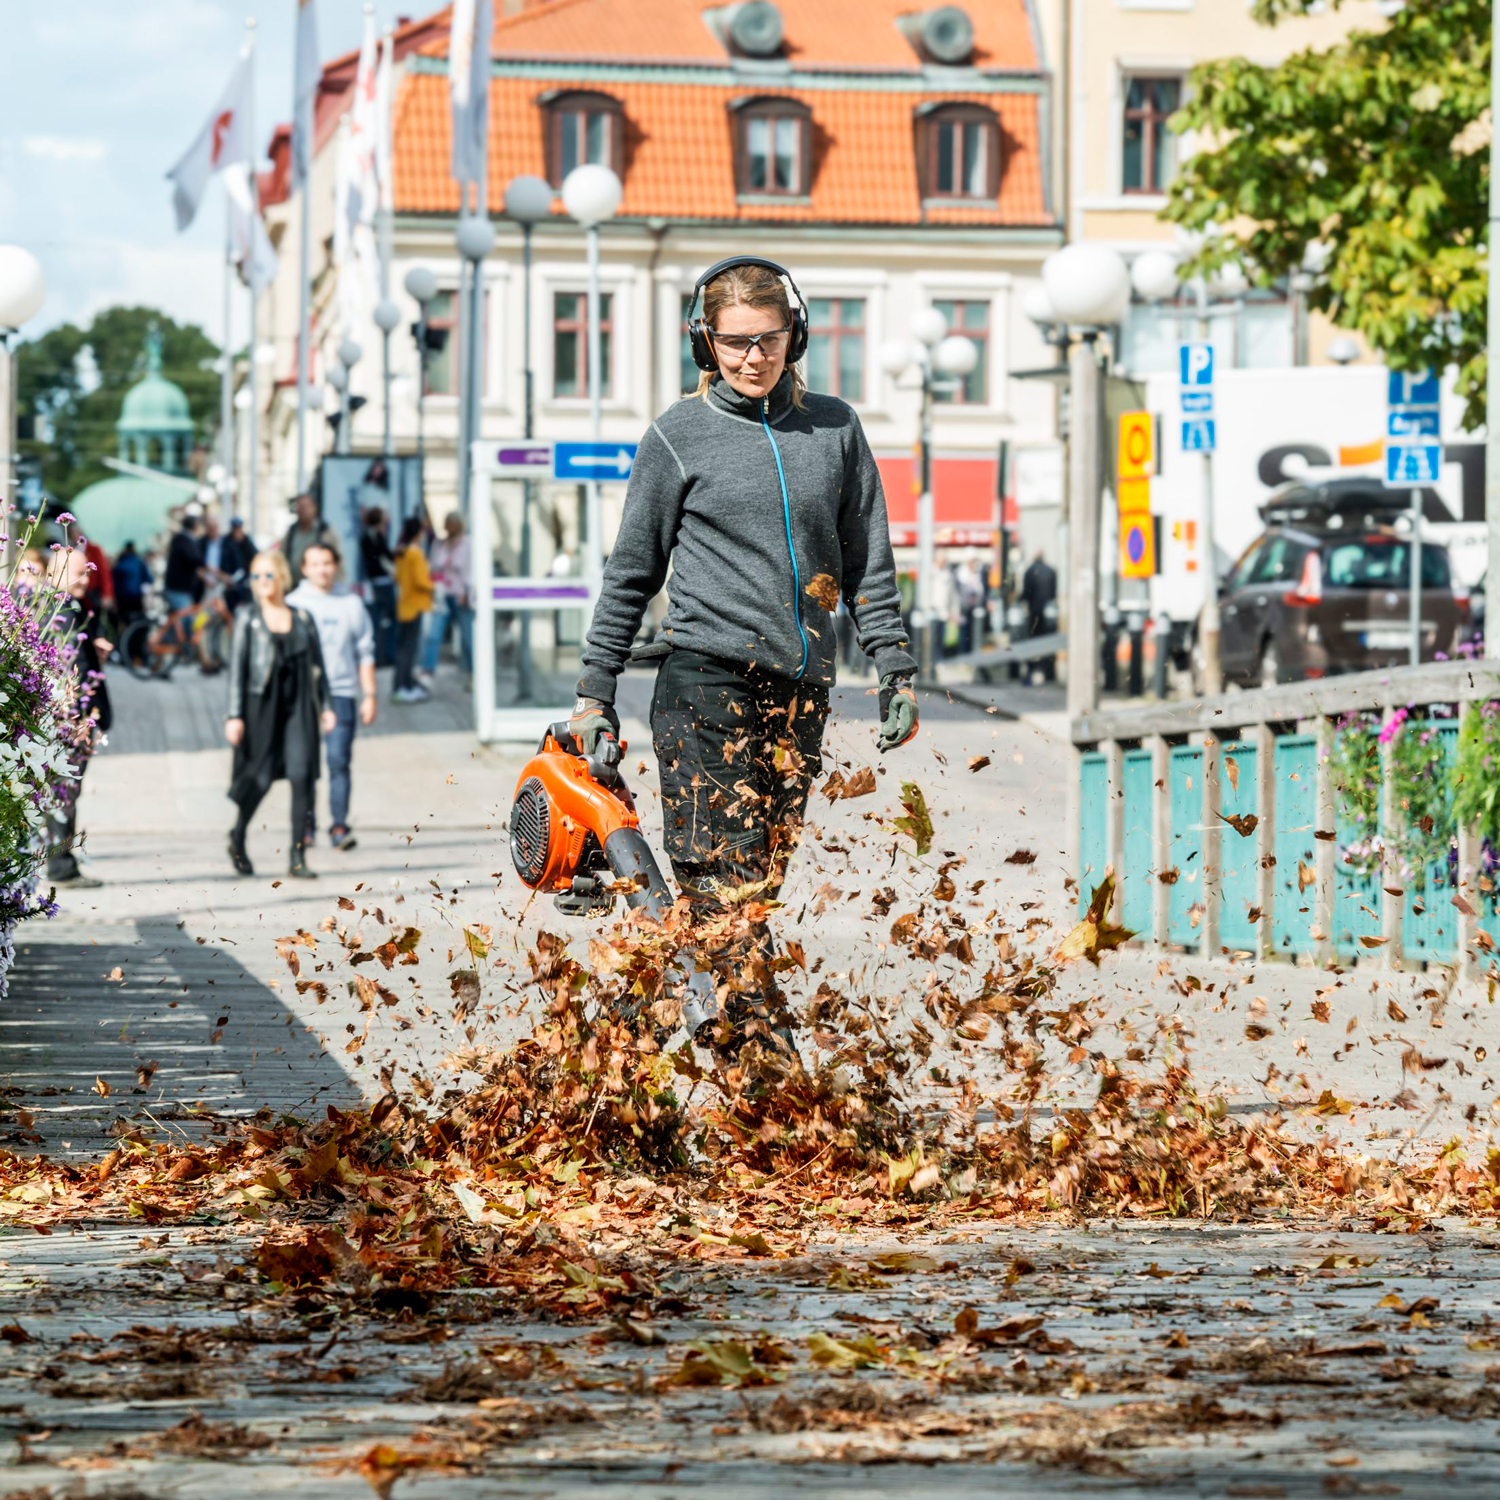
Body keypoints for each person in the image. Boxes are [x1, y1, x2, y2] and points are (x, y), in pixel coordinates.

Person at [571, 256, 918, 1057]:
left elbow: (869, 557)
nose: (752, 357)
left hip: (800, 691)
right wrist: (597, 693)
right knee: (725, 885)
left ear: (794, 336)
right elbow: (631, 574)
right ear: (706, 343)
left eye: (768, 339)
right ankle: (764, 1081)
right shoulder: (676, 435)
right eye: (734, 343)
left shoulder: (834, 428)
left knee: (749, 890)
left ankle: (612, 1065)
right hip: (704, 684)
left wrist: (894, 663)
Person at [224, 550, 335, 879]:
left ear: (283, 578)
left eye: (268, 575)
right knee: (259, 778)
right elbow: (237, 670)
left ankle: (297, 856)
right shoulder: (248, 617)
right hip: (261, 705)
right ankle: (238, 835)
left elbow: (319, 667)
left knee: (302, 776)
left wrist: (326, 707)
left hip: (300, 705)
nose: (261, 582)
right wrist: (234, 715)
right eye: (256, 576)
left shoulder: (302, 617)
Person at [288, 541, 377, 851]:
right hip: (303, 697)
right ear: (304, 569)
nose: (322, 569)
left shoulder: (351, 603)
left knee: (339, 761)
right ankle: (306, 824)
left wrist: (369, 695)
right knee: (305, 764)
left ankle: (339, 826)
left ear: (336, 565)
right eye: (315, 564)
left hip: (341, 693)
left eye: (327, 563)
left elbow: (365, 651)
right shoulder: (293, 603)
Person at [45, 548, 113, 890]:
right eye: (79, 573)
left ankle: (62, 861)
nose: (86, 580)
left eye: (88, 573)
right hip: (70, 720)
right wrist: (81, 721)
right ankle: (60, 866)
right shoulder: (62, 610)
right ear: (55, 572)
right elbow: (72, 671)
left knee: (65, 792)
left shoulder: (60, 605)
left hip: (66, 718)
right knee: (65, 793)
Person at [420, 511, 474, 681]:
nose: (449, 526)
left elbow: (471, 570)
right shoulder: (439, 544)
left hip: (461, 595)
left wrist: (467, 592)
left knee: (468, 637)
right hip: (442, 595)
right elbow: (432, 567)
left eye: (452, 523)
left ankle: (473, 672)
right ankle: (428, 671)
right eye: (447, 523)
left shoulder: (468, 544)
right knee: (434, 635)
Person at [393, 515, 434, 702]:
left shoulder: (401, 552)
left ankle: (401, 685)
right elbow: (420, 580)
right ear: (419, 532)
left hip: (404, 605)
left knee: (403, 649)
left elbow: (398, 577)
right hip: (415, 606)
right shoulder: (415, 553)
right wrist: (435, 586)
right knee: (409, 650)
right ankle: (405, 687)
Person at [359, 506, 397, 665]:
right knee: (386, 619)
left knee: (376, 620)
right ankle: (385, 655)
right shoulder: (375, 536)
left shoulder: (368, 535)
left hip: (375, 582)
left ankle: (378, 656)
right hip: (382, 582)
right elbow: (383, 556)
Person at [1020, 548, 1058, 683]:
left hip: (1034, 613)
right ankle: (1049, 673)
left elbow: (1026, 592)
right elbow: (1054, 593)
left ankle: (1032, 670)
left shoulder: (1030, 571)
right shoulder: (1051, 571)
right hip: (1049, 613)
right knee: (1049, 643)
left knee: (1033, 643)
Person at [164, 512, 208, 622]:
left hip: (177, 587)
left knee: (178, 620)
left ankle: (170, 638)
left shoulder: (180, 539)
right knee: (189, 621)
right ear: (195, 527)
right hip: (178, 589)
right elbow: (196, 560)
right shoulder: (185, 541)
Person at [282, 492, 338, 581]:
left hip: (320, 583)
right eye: (299, 507)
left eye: (306, 507)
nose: (303, 511)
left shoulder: (324, 531)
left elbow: (337, 558)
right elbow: (282, 556)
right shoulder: (291, 531)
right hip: (293, 585)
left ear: (314, 508)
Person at [111, 540, 151, 637]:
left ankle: (123, 641)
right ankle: (136, 643)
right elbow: (149, 579)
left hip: (122, 599)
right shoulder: (139, 562)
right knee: (138, 622)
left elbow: (113, 582)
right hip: (136, 598)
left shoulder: (119, 563)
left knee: (123, 622)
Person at [220, 517, 253, 609]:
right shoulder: (226, 542)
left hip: (244, 584)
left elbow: (254, 558)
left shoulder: (247, 541)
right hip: (228, 584)